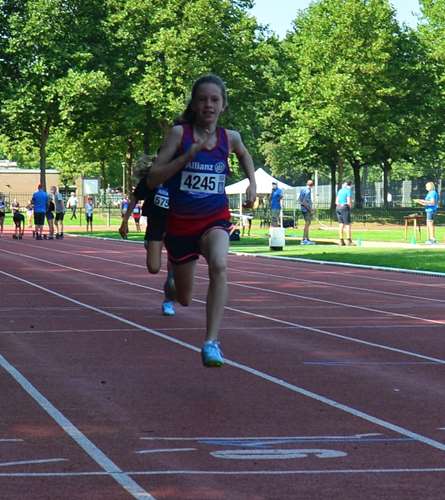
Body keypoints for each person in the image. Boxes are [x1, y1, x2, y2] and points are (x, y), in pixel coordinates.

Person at [148, 74, 256, 367]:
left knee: (219, 265)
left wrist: (253, 183)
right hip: (181, 225)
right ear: (194, 105)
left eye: (214, 100)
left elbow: (245, 155)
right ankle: (171, 284)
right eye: (202, 99)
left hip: (214, 218)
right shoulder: (178, 135)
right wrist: (187, 157)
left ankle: (211, 342)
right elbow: (154, 178)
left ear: (223, 105)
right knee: (184, 298)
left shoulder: (230, 138)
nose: (208, 104)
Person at [119, 154, 176, 317]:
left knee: (174, 268)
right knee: (153, 267)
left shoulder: (180, 177)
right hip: (155, 224)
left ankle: (168, 300)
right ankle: (151, 245)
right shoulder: (152, 179)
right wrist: (125, 221)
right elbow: (135, 198)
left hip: (175, 224)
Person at [336, 181, 353, 246]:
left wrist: (340, 204)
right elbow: (349, 201)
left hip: (338, 207)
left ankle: (341, 240)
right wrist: (350, 207)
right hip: (345, 207)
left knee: (341, 224)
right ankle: (349, 241)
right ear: (350, 185)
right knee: (347, 224)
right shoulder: (348, 191)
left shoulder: (340, 191)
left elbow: (336, 202)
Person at [299, 179, 315, 245]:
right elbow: (304, 202)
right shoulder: (308, 191)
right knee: (307, 223)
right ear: (312, 185)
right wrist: (310, 209)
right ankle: (304, 239)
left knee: (308, 223)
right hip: (306, 210)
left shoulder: (303, 189)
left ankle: (307, 238)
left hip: (303, 209)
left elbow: (300, 200)